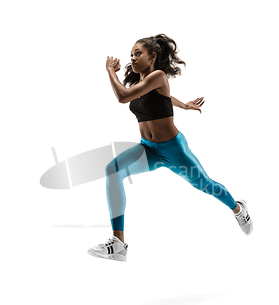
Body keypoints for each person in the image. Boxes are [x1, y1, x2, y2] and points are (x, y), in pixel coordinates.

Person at [87, 34, 253, 261]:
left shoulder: (158, 75)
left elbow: (123, 97)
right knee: (112, 170)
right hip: (148, 150)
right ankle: (118, 243)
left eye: (138, 53)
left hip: (174, 151)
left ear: (152, 56)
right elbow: (161, 96)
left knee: (207, 185)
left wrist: (109, 71)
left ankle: (237, 208)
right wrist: (183, 104)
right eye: (131, 55)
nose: (133, 58)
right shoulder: (142, 82)